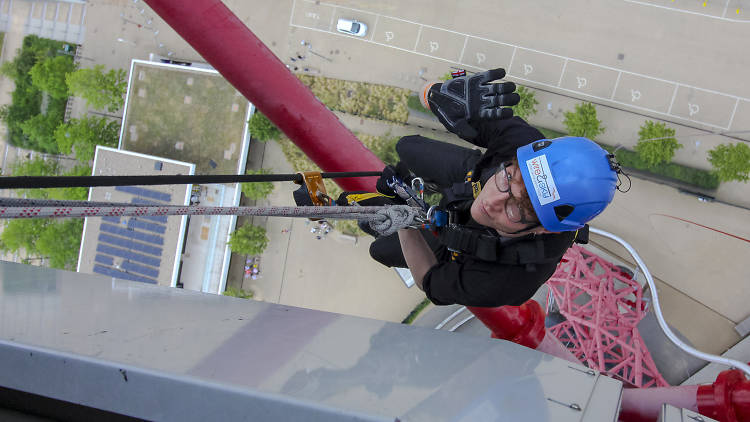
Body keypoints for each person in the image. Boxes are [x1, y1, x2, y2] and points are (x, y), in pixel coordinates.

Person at [356, 68, 621, 308]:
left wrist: (406, 221)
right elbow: (434, 95)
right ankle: (436, 187)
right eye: (508, 178)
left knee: (379, 248)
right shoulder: (523, 149)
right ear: (517, 161)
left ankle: (422, 207)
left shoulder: (507, 280)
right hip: (472, 181)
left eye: (516, 209)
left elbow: (430, 282)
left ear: (542, 229)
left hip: (466, 246)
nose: (492, 202)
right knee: (407, 147)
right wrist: (440, 94)